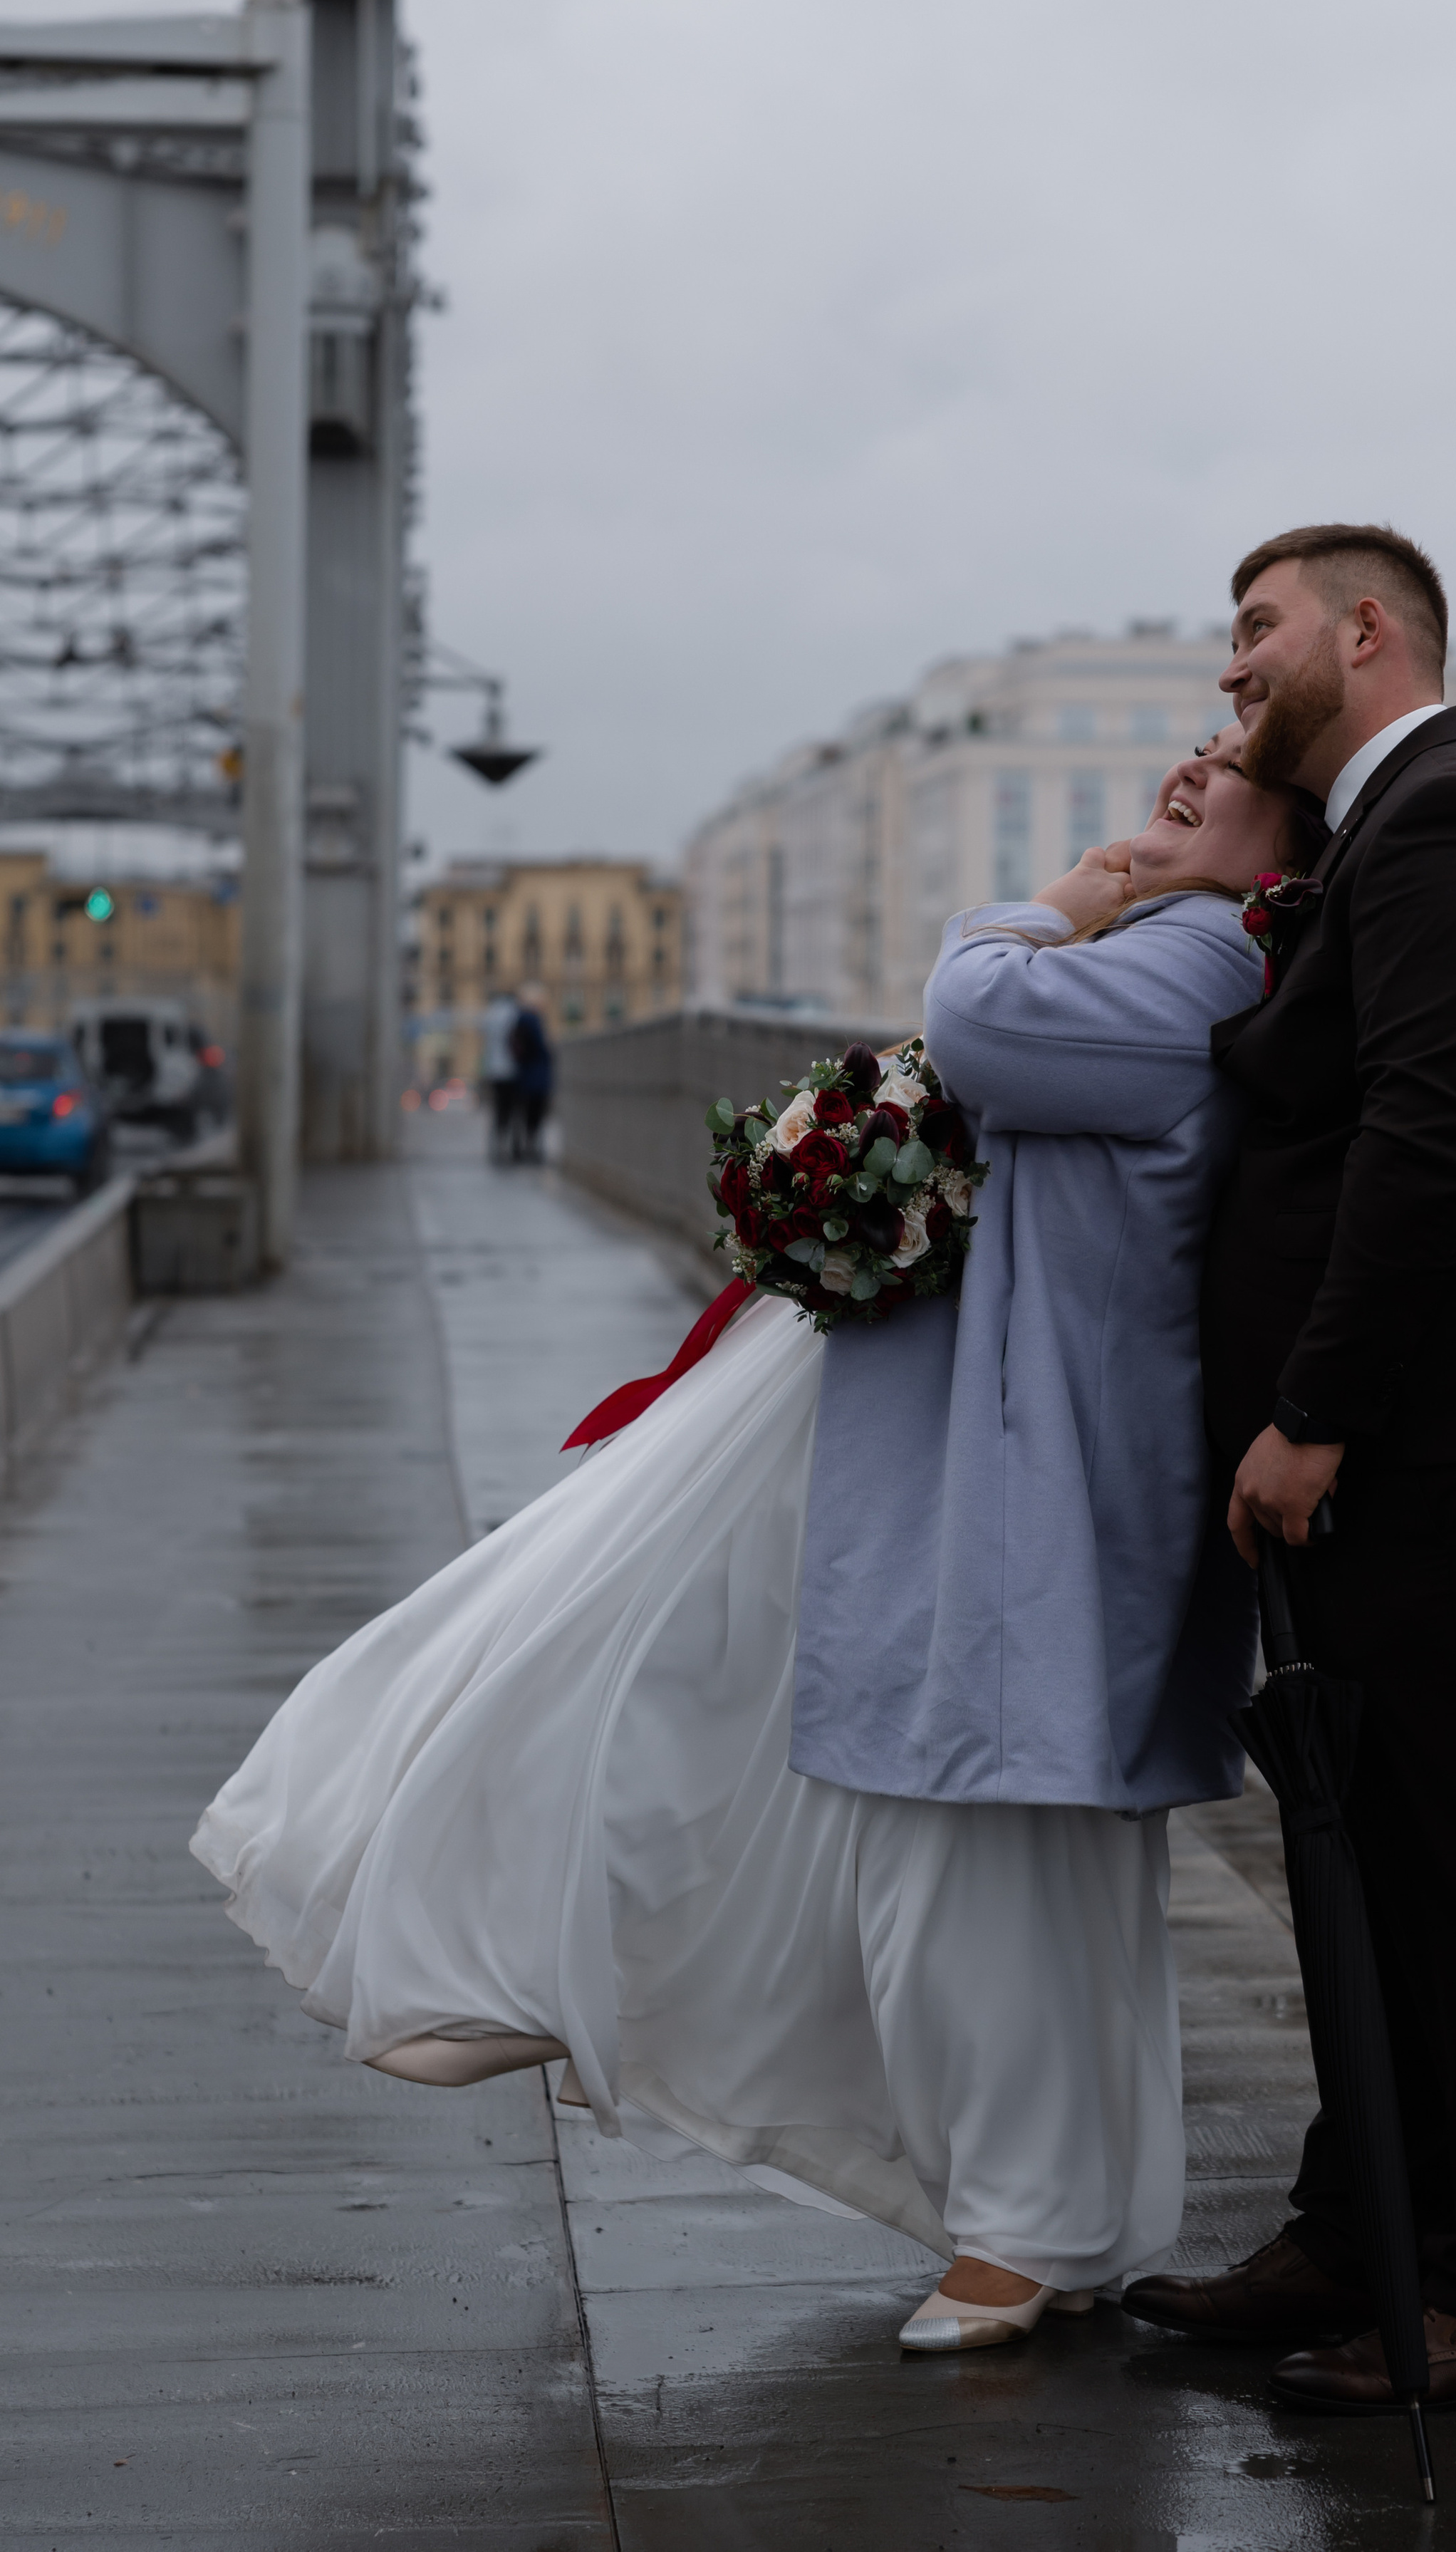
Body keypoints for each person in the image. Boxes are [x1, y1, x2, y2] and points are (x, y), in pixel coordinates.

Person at [192, 742, 1309, 2352]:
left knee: (955, 1845)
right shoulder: (1181, 955)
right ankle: (1006, 2202)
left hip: (1026, 1470)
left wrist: (1057, 898)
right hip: (996, 1457)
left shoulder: (1201, 955)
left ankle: (1017, 2220)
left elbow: (981, 1020)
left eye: (1236, 760)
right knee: (931, 1834)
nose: (1193, 761)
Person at [1122, 524, 1456, 2411]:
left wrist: (1313, 1409)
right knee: (1371, 1852)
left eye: (1255, 632)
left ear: (1366, 632)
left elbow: (1430, 1142)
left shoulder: (1448, 822)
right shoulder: (1386, 829)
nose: (1231, 670)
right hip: (1418, 1438)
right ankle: (1359, 2235)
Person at [509, 981, 553, 1161]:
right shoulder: (533, 1020)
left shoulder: (519, 1018)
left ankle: (520, 1148)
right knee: (534, 1115)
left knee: (522, 1113)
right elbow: (542, 1048)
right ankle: (531, 1150)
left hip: (522, 1074)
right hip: (536, 1076)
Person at [480, 988, 519, 1164]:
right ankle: (506, 1147)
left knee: (498, 1109)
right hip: (510, 1069)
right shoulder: (513, 1013)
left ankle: (497, 1145)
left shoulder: (492, 1012)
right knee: (509, 1110)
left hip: (493, 1070)